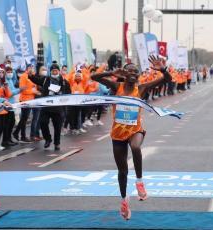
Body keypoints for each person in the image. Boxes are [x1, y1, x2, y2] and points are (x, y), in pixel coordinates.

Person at [91, 55, 172, 220]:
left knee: (135, 147)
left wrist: (162, 69)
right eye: (130, 71)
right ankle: (124, 201)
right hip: (118, 134)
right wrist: (112, 72)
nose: (133, 74)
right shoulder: (116, 86)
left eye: (136, 71)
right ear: (124, 74)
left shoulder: (141, 88)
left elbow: (168, 80)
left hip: (136, 130)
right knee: (122, 171)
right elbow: (94, 77)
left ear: (139, 75)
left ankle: (140, 182)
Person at [29, 62, 71, 150]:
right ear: (50, 71)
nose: (54, 72)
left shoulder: (64, 82)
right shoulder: (45, 79)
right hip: (46, 107)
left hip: (58, 108)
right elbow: (36, 80)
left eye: (56, 71)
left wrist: (61, 95)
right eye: (53, 71)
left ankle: (57, 143)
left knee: (57, 126)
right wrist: (30, 75)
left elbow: (68, 94)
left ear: (58, 71)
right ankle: (48, 139)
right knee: (42, 122)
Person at [13, 64, 40, 143]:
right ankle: (22, 135)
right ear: (27, 69)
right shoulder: (24, 76)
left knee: (24, 119)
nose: (31, 69)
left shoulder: (33, 76)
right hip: (25, 100)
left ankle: (17, 133)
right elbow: (22, 89)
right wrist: (33, 91)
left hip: (31, 100)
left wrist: (37, 91)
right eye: (30, 67)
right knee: (24, 119)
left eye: (32, 67)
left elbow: (34, 86)